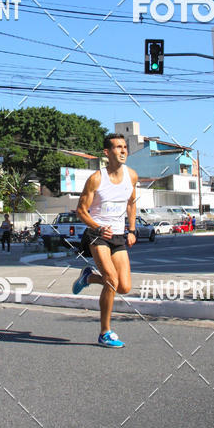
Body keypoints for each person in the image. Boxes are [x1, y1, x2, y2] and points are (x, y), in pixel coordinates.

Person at [73, 134, 138, 348]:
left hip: (119, 235)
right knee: (111, 279)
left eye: (125, 147)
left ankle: (89, 277)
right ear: (107, 152)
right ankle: (105, 332)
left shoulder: (132, 176)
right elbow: (81, 211)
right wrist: (99, 227)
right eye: (118, 147)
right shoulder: (96, 179)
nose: (123, 151)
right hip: (97, 234)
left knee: (124, 287)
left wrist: (131, 230)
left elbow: (131, 203)